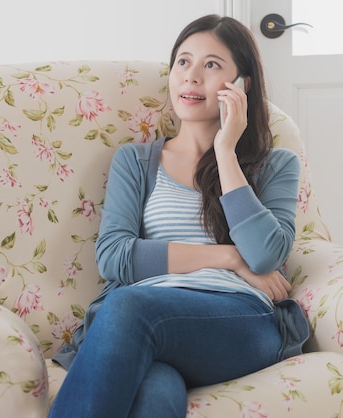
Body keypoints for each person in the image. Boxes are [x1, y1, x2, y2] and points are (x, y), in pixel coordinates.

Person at [48, 14, 310, 418]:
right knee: (156, 394)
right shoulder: (135, 161)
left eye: (211, 65)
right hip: (154, 326)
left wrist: (226, 152)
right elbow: (115, 256)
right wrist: (229, 258)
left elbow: (265, 256)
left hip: (240, 319)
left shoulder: (275, 165)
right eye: (183, 62)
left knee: (127, 305)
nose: (191, 77)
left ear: (242, 85)